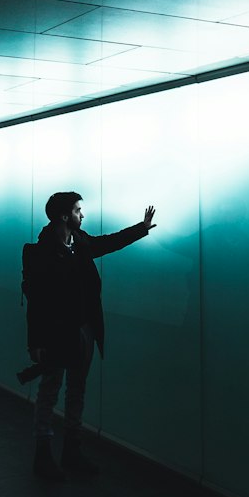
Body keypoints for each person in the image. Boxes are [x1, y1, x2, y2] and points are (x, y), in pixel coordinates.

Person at [22, 192, 156, 480]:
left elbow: (108, 242)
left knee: (75, 389)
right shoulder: (41, 252)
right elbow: (37, 302)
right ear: (63, 215)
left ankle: (70, 451)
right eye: (78, 210)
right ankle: (44, 455)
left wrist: (141, 228)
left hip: (83, 328)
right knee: (51, 389)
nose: (82, 215)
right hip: (59, 334)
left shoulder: (79, 242)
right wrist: (36, 343)